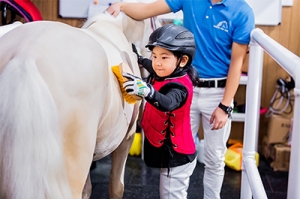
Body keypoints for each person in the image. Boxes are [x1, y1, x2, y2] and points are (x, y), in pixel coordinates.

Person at [107, 1, 255, 199]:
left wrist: (225, 105)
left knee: (214, 158)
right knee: (175, 152)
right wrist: (122, 5)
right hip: (185, 84)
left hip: (218, 92)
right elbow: (146, 10)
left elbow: (237, 63)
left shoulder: (243, 12)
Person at [122, 24, 199, 199]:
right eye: (154, 55)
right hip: (169, 152)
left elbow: (168, 103)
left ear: (183, 60)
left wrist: (147, 91)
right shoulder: (165, 71)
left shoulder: (180, 86)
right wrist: (140, 59)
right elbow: (152, 66)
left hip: (177, 156)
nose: (157, 62)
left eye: (164, 57)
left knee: (171, 196)